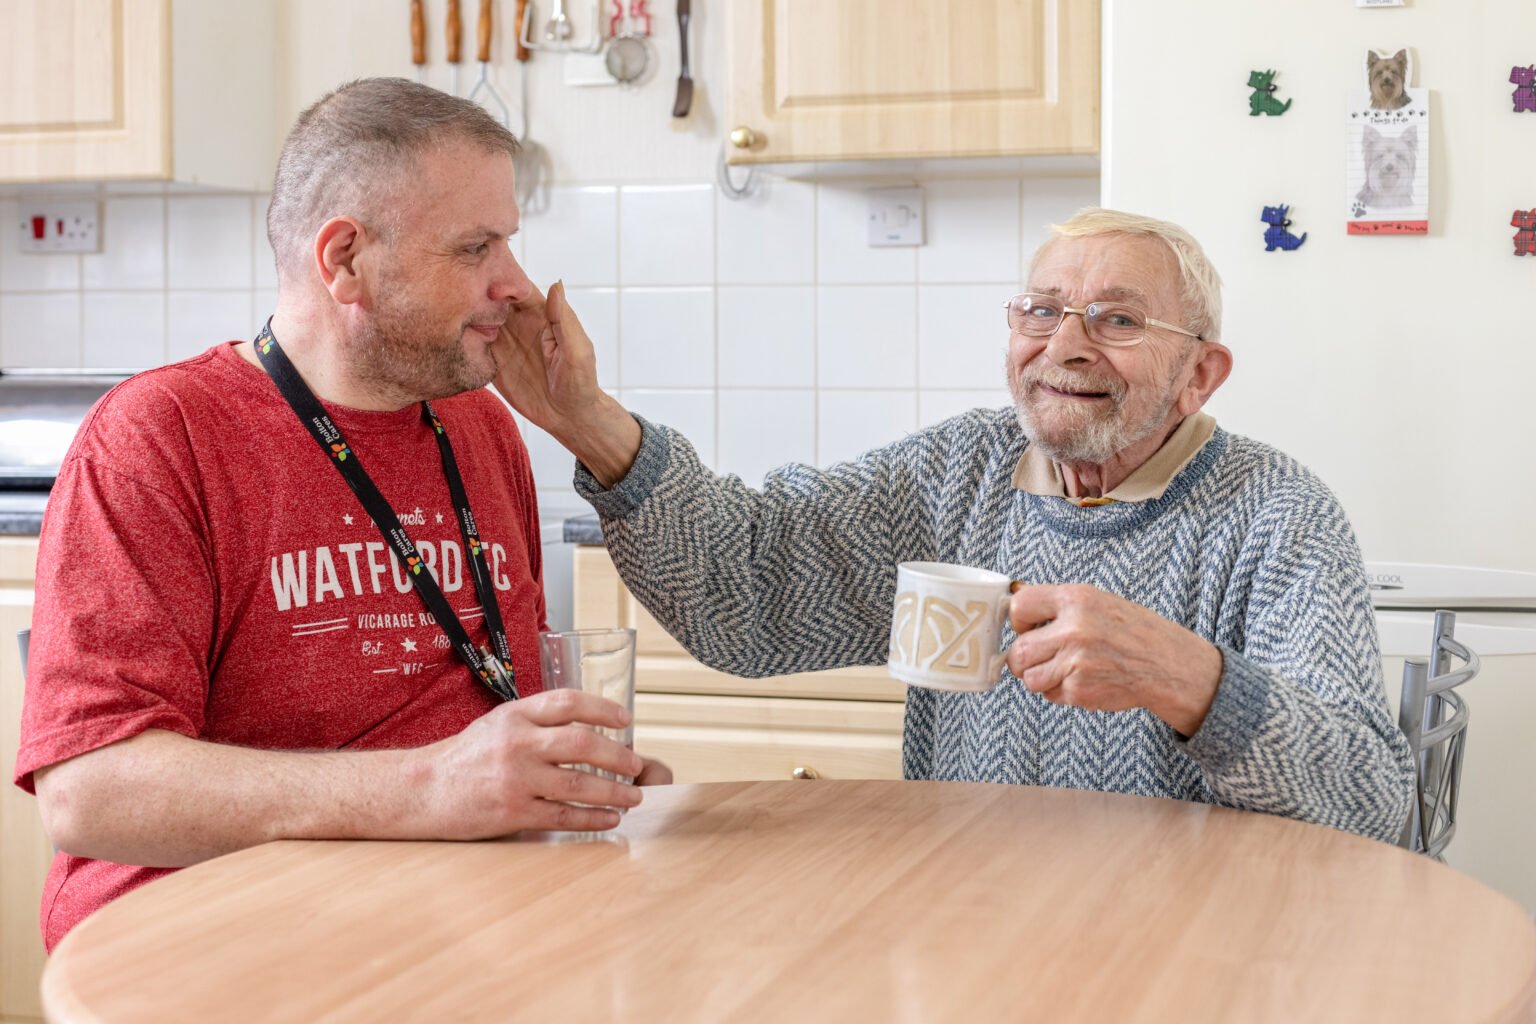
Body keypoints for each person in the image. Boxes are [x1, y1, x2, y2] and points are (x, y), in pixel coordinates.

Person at [494, 208, 1415, 843]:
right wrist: (589, 422)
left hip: (1194, 940)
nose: (1064, 345)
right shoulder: (956, 473)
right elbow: (750, 590)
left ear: (1201, 374)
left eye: (1117, 320)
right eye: (1042, 311)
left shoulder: (1279, 515)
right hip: (969, 907)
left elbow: (1372, 804)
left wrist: (1188, 679)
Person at [15, 78, 669, 953]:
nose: (514, 286)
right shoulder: (158, 438)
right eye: (475, 247)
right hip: (209, 945)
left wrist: (555, 782)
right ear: (345, 261)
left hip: (453, 925)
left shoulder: (478, 422)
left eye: (508, 240)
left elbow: (488, 692)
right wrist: (432, 787)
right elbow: (89, 792)